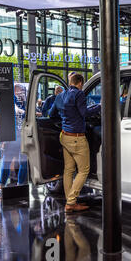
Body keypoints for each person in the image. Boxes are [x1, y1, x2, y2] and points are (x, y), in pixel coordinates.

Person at [49, 73, 100, 213]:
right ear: (80, 83)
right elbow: (85, 113)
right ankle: (71, 202)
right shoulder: (79, 94)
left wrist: (66, 118)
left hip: (64, 136)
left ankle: (70, 201)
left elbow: (51, 114)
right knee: (84, 170)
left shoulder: (60, 96)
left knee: (68, 170)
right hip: (77, 138)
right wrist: (100, 106)